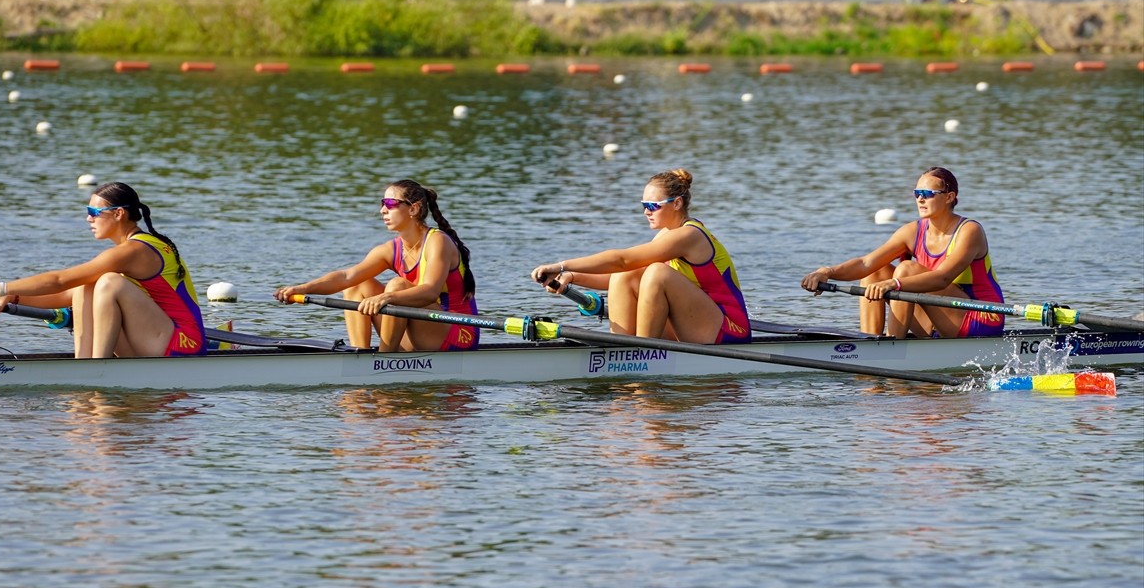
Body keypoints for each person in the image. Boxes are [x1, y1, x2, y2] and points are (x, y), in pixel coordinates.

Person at [0, 182, 206, 358]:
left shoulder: (135, 251)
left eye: (94, 213)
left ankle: (95, 369)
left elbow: (59, 280)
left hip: (182, 343)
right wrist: (13, 297)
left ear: (119, 214)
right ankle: (85, 364)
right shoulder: (125, 251)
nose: (89, 219)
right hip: (154, 338)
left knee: (110, 282)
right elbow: (67, 294)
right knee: (85, 287)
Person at [531, 168, 751, 344]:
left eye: (653, 206)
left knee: (656, 273)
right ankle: (623, 347)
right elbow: (623, 273)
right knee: (626, 274)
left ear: (677, 203)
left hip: (729, 329)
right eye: (644, 206)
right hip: (696, 322)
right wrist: (571, 275)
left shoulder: (689, 235)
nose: (646, 212)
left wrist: (560, 265)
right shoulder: (667, 235)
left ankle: (641, 355)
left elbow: (622, 259)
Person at [274, 180, 478, 352]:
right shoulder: (391, 249)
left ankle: (384, 361)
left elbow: (429, 291)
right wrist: (302, 288)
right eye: (383, 203)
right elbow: (346, 277)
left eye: (390, 203)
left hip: (458, 334)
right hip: (420, 331)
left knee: (397, 286)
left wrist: (387, 297)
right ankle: (360, 354)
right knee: (357, 285)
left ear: (414, 209)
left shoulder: (437, 241)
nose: (382, 210)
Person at [800, 166, 1004, 338]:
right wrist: (826, 272)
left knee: (906, 269)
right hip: (937, 318)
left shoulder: (970, 231)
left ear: (950, 197)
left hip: (981, 318)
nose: (920, 200)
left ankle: (892, 345)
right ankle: (871, 343)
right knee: (875, 273)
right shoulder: (912, 231)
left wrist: (895, 283)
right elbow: (865, 264)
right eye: (917, 194)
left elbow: (942, 278)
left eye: (928, 194)